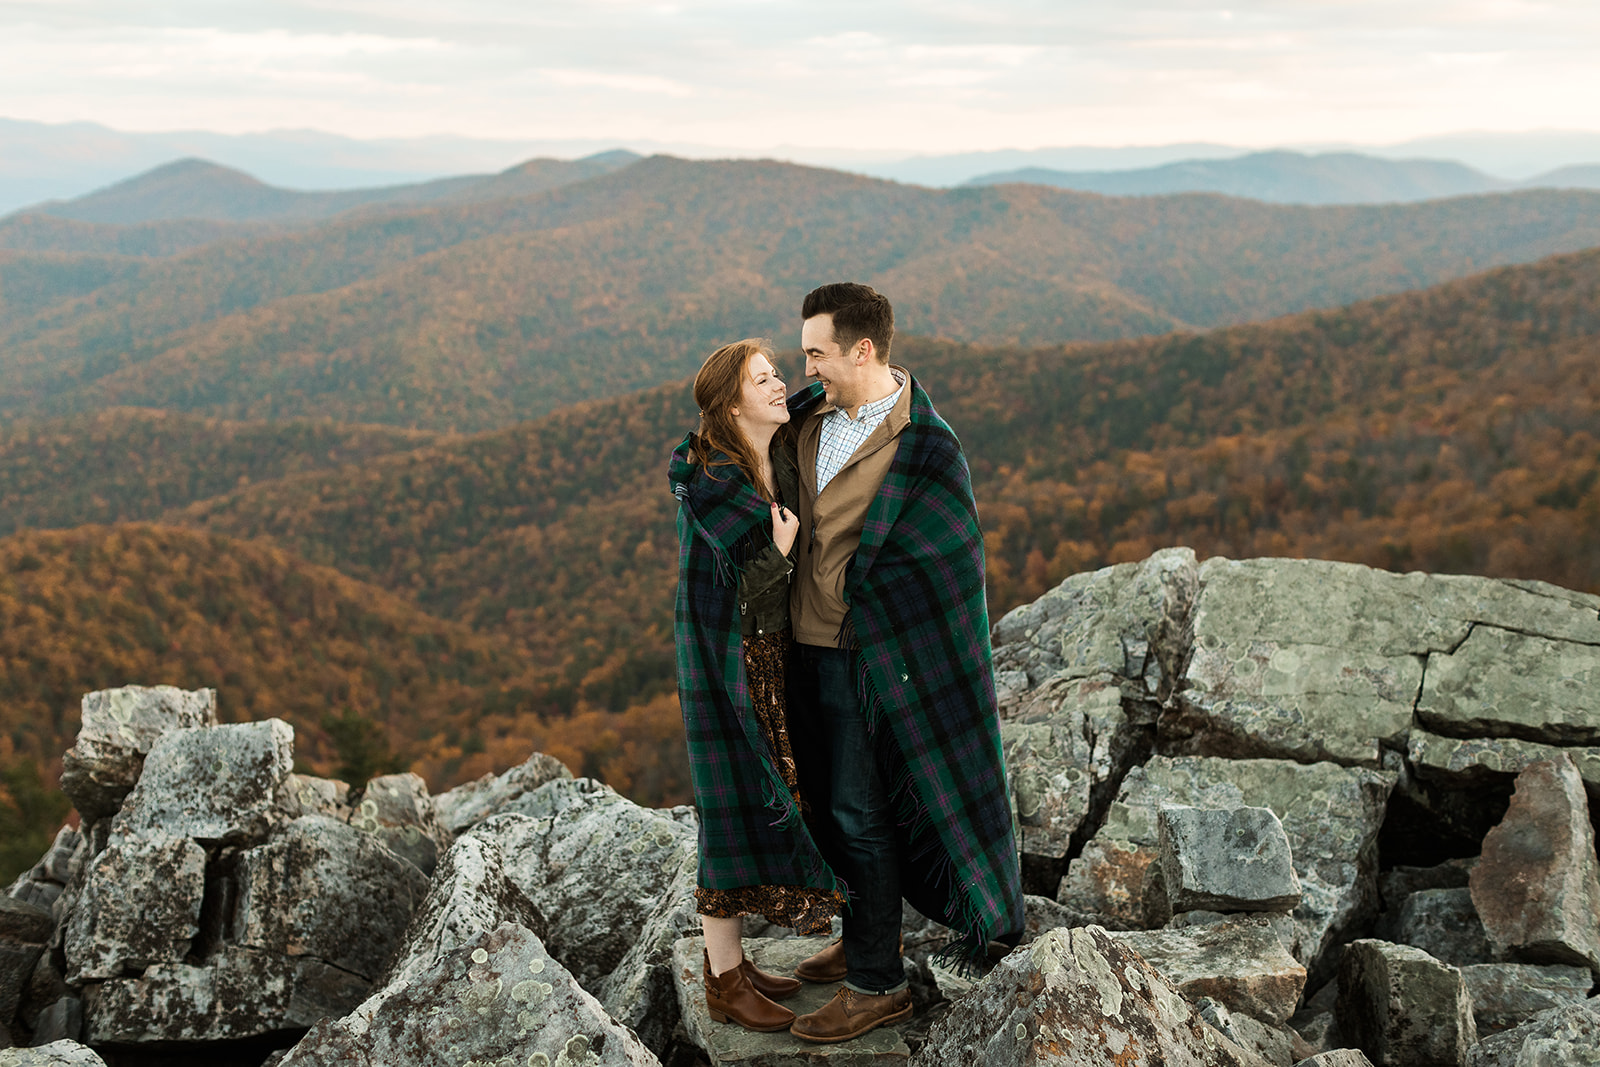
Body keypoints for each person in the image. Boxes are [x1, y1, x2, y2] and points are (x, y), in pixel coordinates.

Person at [784, 283, 1025, 1044]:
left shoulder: (927, 446)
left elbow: (948, 564)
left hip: (870, 661)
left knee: (860, 815)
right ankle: (864, 934)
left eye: (817, 353)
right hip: (797, 649)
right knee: (822, 805)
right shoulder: (806, 418)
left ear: (863, 350)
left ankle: (877, 984)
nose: (807, 367)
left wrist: (874, 602)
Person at [669, 338, 847, 1032]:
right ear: (731, 403)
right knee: (730, 808)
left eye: (778, 374)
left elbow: (804, 402)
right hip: (727, 664)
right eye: (762, 379)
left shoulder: (766, 456)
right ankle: (722, 979)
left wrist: (849, 377)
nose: (779, 386)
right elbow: (740, 594)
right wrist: (777, 551)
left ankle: (738, 966)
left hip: (770, 658)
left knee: (769, 795)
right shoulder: (716, 480)